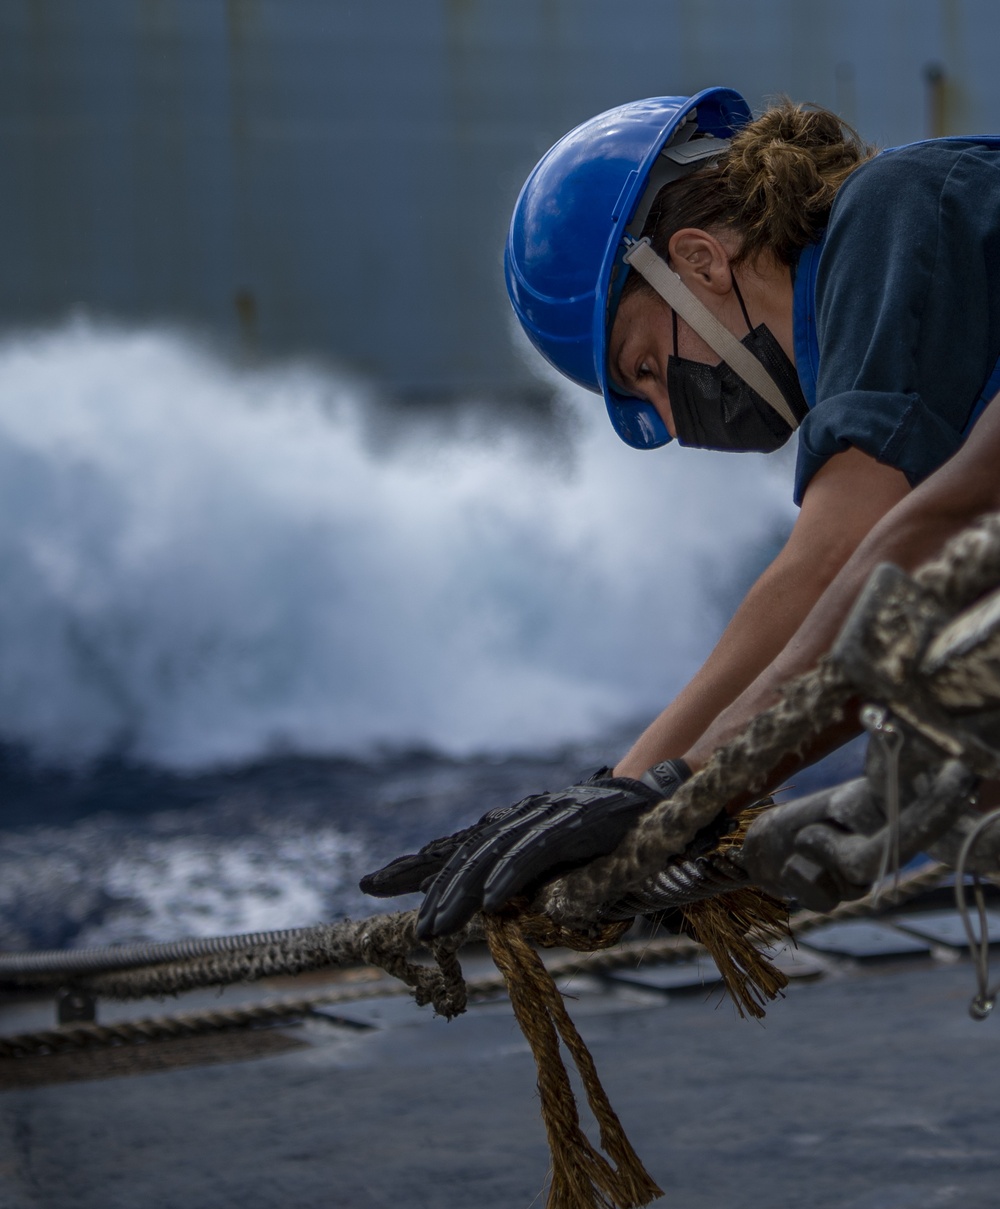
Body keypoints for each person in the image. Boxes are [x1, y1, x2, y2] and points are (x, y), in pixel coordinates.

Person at [361, 87, 1000, 937]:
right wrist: (640, 798)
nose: (668, 422)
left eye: (647, 369)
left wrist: (655, 793)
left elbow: (851, 560)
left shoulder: (897, 209)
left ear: (699, 261)